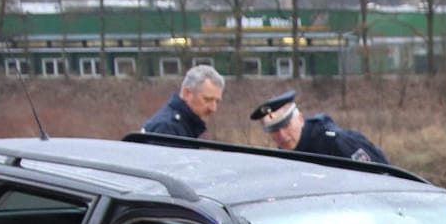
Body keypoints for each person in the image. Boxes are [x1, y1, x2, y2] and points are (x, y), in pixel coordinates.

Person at [249, 90, 389, 164]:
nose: (282, 135)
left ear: (300, 118)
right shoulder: (283, 159)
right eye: (274, 130)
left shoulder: (336, 142)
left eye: (286, 125)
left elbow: (380, 176)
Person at [141, 65, 225, 138]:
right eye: (207, 100)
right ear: (187, 93)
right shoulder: (167, 129)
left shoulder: (184, 126)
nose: (213, 108)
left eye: (217, 102)